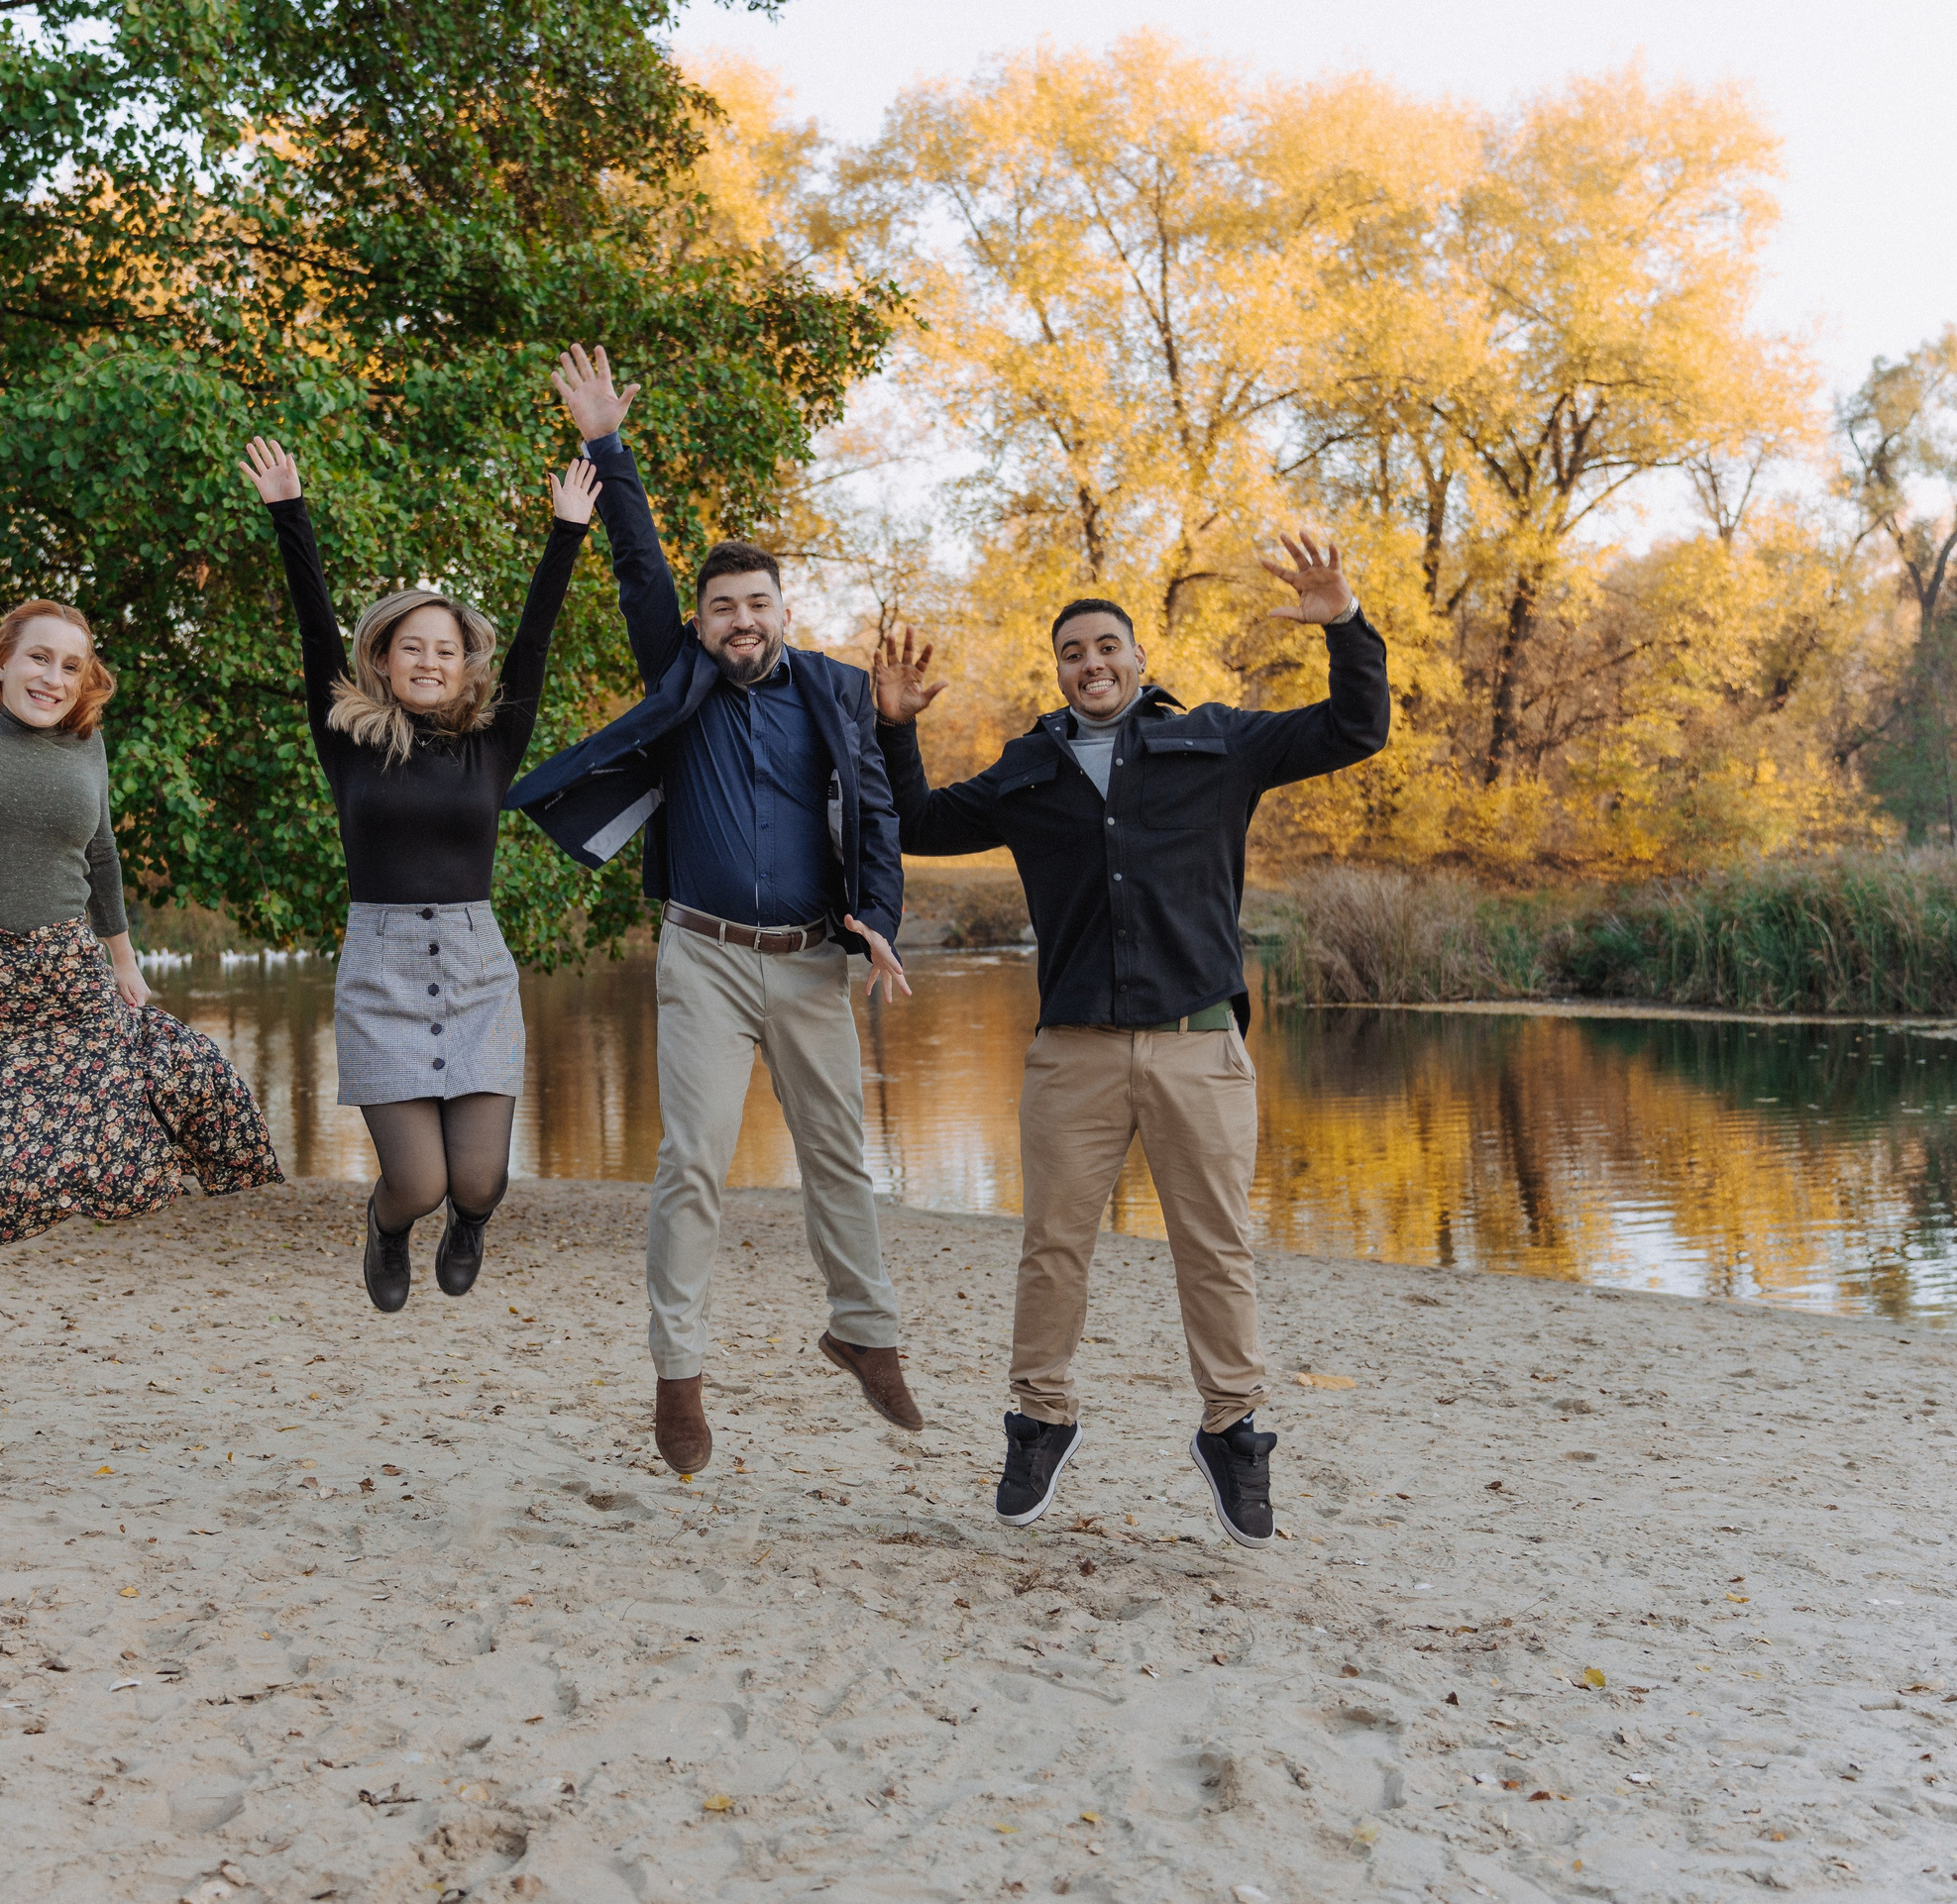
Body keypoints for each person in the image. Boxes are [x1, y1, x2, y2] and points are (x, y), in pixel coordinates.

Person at [868, 539, 1387, 1544]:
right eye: (1071, 651)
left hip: (1197, 1045)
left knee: (1216, 1249)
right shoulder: (1029, 774)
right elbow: (918, 820)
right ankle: (1039, 1419)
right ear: (1056, 670)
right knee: (1051, 1248)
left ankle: (1232, 1431)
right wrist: (893, 730)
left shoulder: (1218, 743)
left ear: (1139, 660)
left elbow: (1356, 727)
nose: (1090, 662)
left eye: (1107, 645)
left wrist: (1343, 622)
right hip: (1074, 1052)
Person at [509, 345, 923, 1476]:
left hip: (807, 962)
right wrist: (606, 442)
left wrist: (878, 912)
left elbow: (878, 814)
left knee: (840, 1151)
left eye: (757, 603)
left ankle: (864, 1332)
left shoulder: (836, 692)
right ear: (700, 623)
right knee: (691, 1158)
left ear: (786, 609)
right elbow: (637, 563)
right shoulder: (681, 675)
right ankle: (678, 1372)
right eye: (722, 607)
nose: (740, 620)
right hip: (699, 953)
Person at [0, 408, 285, 1247]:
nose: (53, 677)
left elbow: (103, 851)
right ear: (3, 660)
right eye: (39, 657)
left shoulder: (87, 742)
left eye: (71, 665)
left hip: (70, 976)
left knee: (181, 1126)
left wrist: (124, 959)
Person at [241, 436, 597, 1312]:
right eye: (412, 648)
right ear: (382, 660)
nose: (430, 662)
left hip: (477, 972)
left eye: (445, 650)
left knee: (477, 1186)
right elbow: (310, 621)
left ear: (463, 663)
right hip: (382, 973)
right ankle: (387, 1226)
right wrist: (290, 512)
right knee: (420, 1183)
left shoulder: (492, 744)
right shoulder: (348, 739)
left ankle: (471, 1225)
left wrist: (568, 534)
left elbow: (536, 639)